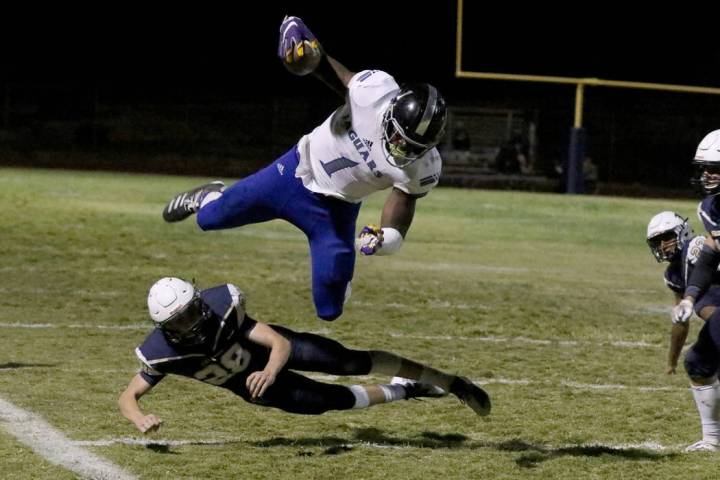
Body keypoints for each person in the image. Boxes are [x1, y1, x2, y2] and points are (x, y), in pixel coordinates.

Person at [160, 16, 447, 322]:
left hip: (335, 212)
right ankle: (209, 194)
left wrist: (382, 240)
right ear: (390, 112)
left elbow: (399, 221)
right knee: (208, 218)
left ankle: (339, 277)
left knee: (329, 310)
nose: (401, 149)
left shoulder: (423, 167)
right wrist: (305, 54)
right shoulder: (373, 94)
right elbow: (327, 70)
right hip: (293, 172)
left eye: (413, 147)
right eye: (398, 137)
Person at [118, 277, 491, 433]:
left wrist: (270, 371)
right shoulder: (163, 352)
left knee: (350, 362)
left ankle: (449, 381)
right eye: (179, 321)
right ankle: (407, 390)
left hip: (273, 358)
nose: (191, 322)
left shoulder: (222, 308)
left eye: (191, 310)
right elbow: (128, 395)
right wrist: (140, 418)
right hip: (255, 388)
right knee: (329, 401)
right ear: (166, 327)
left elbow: (280, 343)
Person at [668, 129, 720, 451]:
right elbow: (711, 251)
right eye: (706, 167)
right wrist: (689, 295)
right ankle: (712, 441)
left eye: (716, 167)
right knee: (699, 364)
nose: (707, 175)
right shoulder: (712, 207)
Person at [645, 211, 720, 376]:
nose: (663, 245)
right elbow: (681, 321)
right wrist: (671, 362)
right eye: (657, 242)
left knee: (701, 302)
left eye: (667, 238)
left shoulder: (697, 246)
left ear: (682, 231)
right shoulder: (673, 275)